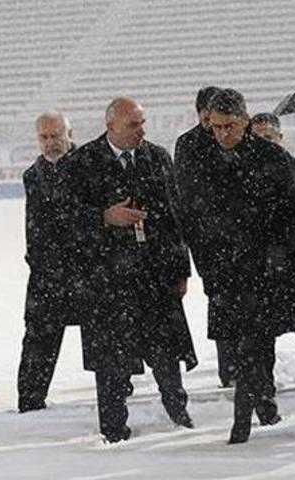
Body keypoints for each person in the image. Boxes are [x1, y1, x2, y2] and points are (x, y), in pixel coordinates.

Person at [64, 97, 197, 443]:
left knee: (166, 355)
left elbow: (173, 216)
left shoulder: (157, 158)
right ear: (110, 127)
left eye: (142, 123)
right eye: (133, 125)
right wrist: (104, 218)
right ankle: (113, 429)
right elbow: (66, 221)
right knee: (110, 363)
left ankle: (180, 417)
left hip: (154, 277)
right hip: (106, 282)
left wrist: (181, 269)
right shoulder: (82, 162)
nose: (141, 130)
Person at [187, 89, 295, 443]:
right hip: (224, 271)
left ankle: (246, 416)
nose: (222, 134)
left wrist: (280, 259)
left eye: (230, 126)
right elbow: (193, 218)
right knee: (242, 346)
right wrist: (208, 267)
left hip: (264, 269)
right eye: (217, 127)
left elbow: (292, 214)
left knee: (255, 343)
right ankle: (262, 403)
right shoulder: (203, 162)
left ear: (246, 122)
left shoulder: (271, 158)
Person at [174, 85, 237, 388]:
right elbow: (189, 195)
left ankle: (249, 365)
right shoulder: (188, 144)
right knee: (222, 302)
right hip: (209, 243)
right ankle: (230, 369)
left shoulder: (233, 136)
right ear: (201, 113)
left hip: (240, 238)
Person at [17, 111, 78, 413]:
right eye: (44, 137)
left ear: (69, 133)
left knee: (109, 335)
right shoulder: (33, 175)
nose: (51, 142)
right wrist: (39, 263)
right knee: (38, 335)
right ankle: (29, 401)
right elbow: (34, 226)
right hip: (46, 273)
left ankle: (121, 390)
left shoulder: (89, 166)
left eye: (56, 135)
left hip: (88, 268)